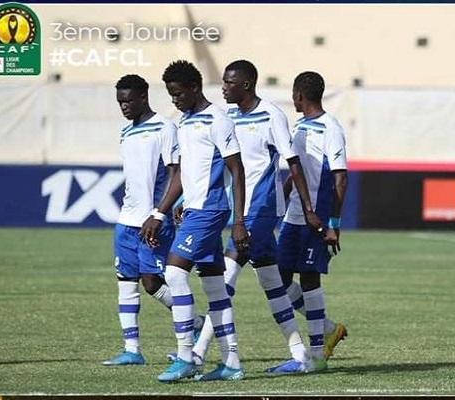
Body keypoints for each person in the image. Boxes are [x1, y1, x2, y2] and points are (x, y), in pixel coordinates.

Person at [188, 59, 333, 374]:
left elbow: (293, 164)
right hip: (243, 209)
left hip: (262, 209)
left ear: (245, 85)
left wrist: (309, 210)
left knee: (222, 281)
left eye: (228, 83)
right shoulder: (227, 117)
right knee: (272, 284)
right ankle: (300, 354)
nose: (223, 88)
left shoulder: (272, 116)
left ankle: (198, 355)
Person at [142, 59, 249, 383]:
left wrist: (239, 221)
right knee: (215, 287)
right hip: (194, 210)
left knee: (174, 273)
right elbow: (186, 175)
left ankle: (187, 356)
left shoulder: (217, 119)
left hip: (210, 211)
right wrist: (162, 210)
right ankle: (232, 364)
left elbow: (237, 170)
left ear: (194, 88)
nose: (174, 100)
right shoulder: (185, 122)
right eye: (170, 95)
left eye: (178, 94)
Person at [103, 74, 198, 366]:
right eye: (120, 102)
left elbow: (174, 172)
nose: (124, 107)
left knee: (152, 282)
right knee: (125, 281)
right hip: (126, 219)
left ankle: (195, 323)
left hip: (154, 220)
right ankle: (132, 350)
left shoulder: (165, 128)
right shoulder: (125, 132)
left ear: (144, 97)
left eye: (129, 101)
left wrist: (160, 213)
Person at [277, 71, 348, 368]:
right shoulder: (300, 126)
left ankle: (318, 354)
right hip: (294, 215)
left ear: (299, 96)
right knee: (278, 279)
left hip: (315, 216)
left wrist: (333, 224)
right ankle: (330, 329)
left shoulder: (330, 127)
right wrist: (282, 194)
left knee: (309, 279)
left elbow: (341, 177)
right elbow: (298, 171)